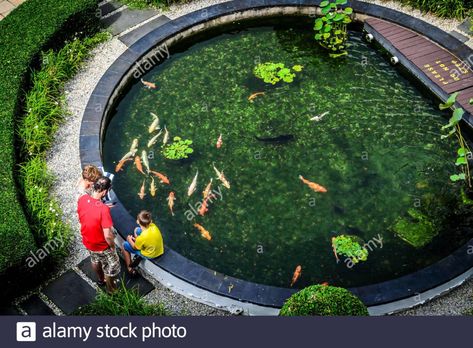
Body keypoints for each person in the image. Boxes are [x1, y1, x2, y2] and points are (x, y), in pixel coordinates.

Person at [77, 176, 120, 292]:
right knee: (112, 267)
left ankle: (101, 279)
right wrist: (112, 246)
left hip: (88, 241)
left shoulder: (82, 199)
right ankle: (112, 290)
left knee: (95, 260)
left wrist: (101, 206)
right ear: (105, 191)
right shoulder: (103, 210)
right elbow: (108, 235)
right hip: (102, 246)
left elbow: (87, 213)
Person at [121, 210, 164, 275]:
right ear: (150, 221)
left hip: (150, 255)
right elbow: (142, 234)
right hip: (160, 250)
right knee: (137, 230)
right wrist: (137, 240)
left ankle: (129, 268)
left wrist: (129, 239)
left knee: (124, 245)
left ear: (137, 221)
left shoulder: (142, 237)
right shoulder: (153, 226)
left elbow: (135, 248)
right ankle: (139, 244)